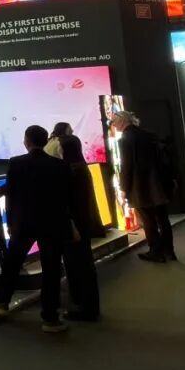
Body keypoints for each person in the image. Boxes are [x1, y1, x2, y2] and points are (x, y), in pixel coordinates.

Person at [0, 125, 74, 333]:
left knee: (12, 264)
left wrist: (9, 221)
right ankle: (51, 318)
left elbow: (12, 193)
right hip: (52, 224)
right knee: (52, 270)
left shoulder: (17, 163)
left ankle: (1, 300)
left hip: (24, 223)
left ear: (27, 141)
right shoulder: (60, 166)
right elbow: (66, 198)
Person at [113, 110, 177, 262]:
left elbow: (127, 166)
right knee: (163, 219)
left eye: (114, 121)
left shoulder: (125, 139)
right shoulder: (148, 135)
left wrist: (123, 188)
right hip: (158, 184)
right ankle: (169, 251)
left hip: (140, 187)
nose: (113, 125)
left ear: (122, 121)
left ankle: (156, 252)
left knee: (148, 221)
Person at [60, 134, 101, 321]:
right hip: (83, 224)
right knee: (85, 265)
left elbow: (67, 203)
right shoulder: (82, 168)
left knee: (77, 266)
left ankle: (83, 307)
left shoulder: (71, 171)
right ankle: (88, 306)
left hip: (73, 227)